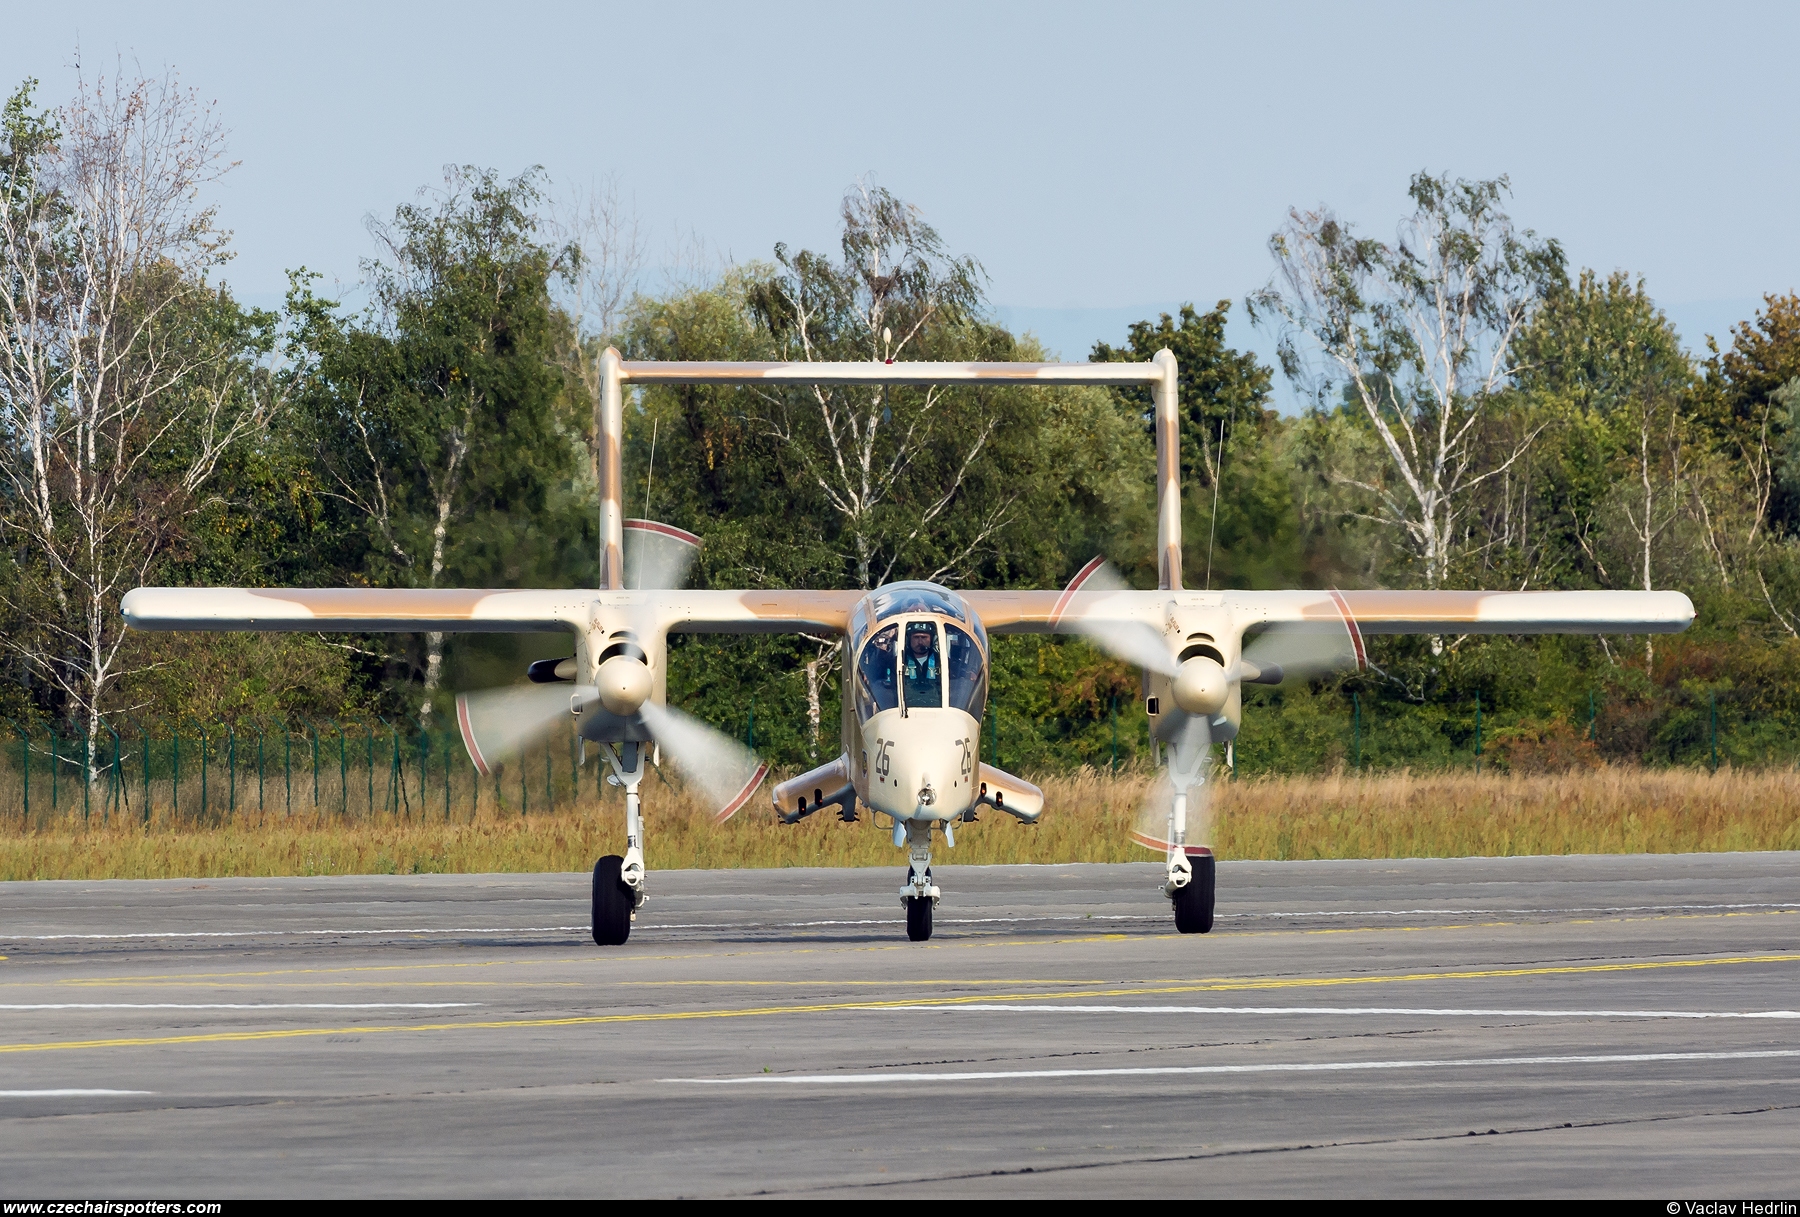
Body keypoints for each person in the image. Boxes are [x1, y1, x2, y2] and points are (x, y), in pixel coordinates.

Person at [903, 622, 941, 709]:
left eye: (924, 637)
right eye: (916, 637)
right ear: (909, 639)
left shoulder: (943, 662)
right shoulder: (898, 662)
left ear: (932, 639)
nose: (920, 641)